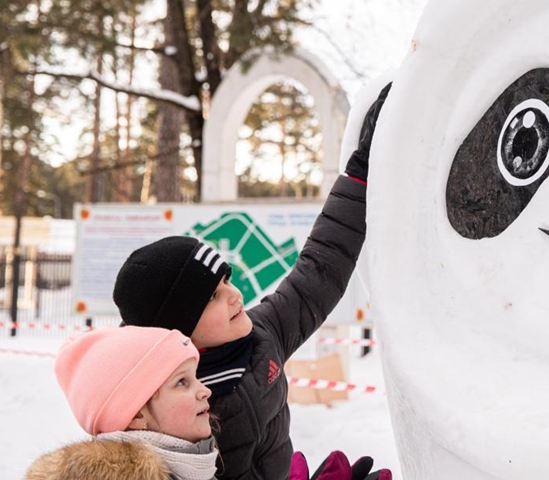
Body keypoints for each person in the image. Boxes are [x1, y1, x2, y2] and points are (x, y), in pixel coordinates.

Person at [111, 83, 392, 480]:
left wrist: (360, 173)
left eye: (227, 280)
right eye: (212, 295)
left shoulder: (260, 335)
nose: (233, 295)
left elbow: (319, 270)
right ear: (179, 329)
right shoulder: (174, 414)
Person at [26, 326, 218, 480]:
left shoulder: (195, 469)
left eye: (195, 377)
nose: (205, 391)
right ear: (136, 415)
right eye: (182, 382)